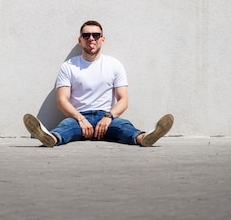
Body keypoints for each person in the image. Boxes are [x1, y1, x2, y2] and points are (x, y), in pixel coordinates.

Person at [23, 20, 174, 147]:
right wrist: (80, 119)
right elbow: (62, 101)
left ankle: (144, 138)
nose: (91, 38)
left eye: (96, 35)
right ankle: (51, 139)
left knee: (124, 126)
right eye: (86, 35)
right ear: (80, 40)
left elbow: (124, 100)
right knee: (66, 127)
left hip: (106, 117)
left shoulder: (114, 65)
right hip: (78, 117)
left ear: (102, 39)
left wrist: (108, 117)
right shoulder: (68, 66)